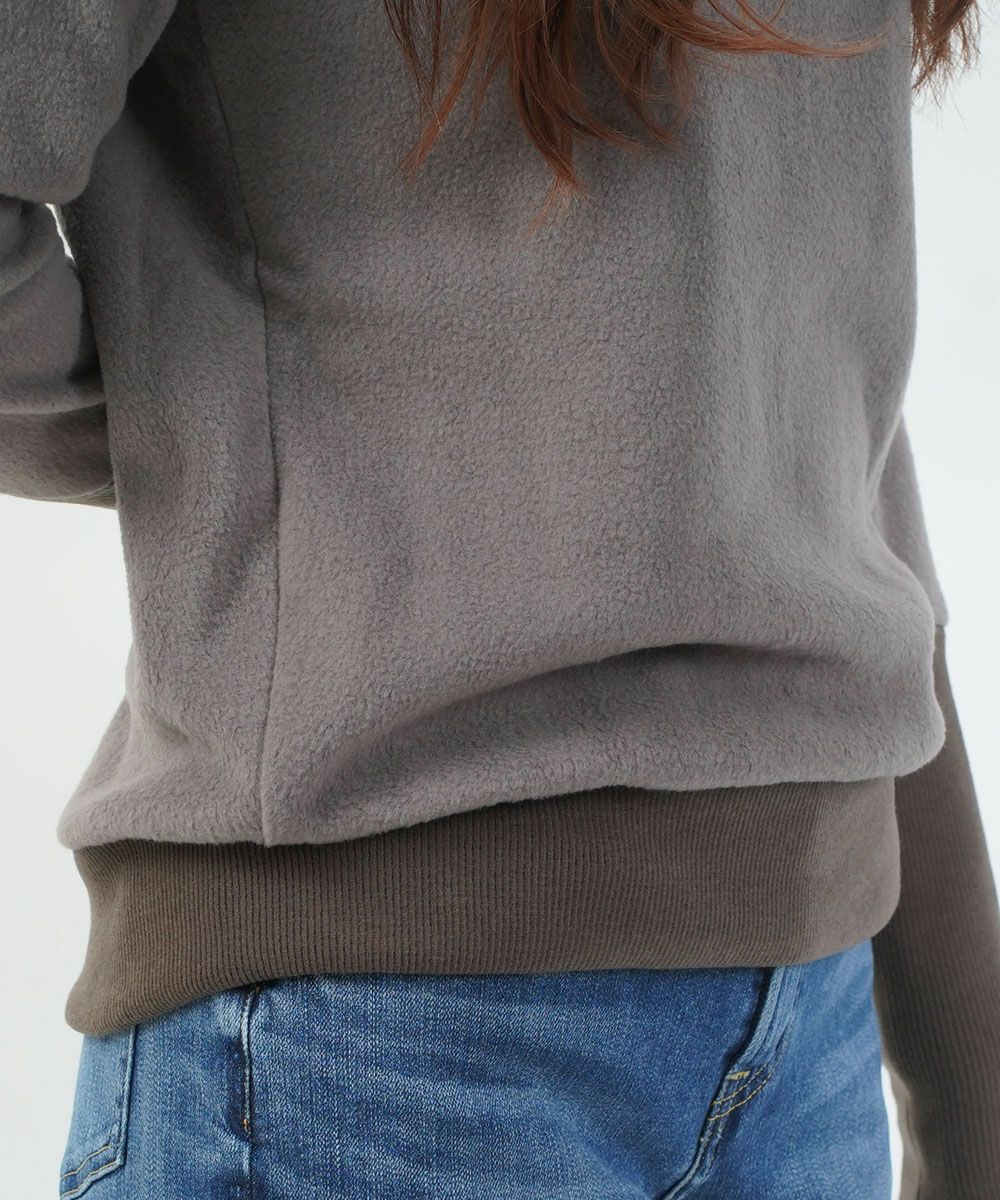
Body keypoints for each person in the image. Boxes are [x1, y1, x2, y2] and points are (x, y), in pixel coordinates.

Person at [2, 0, 998, 1196]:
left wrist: (971, 1094)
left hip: (803, 1044)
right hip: (370, 1043)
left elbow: (824, 440)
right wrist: (239, 441)